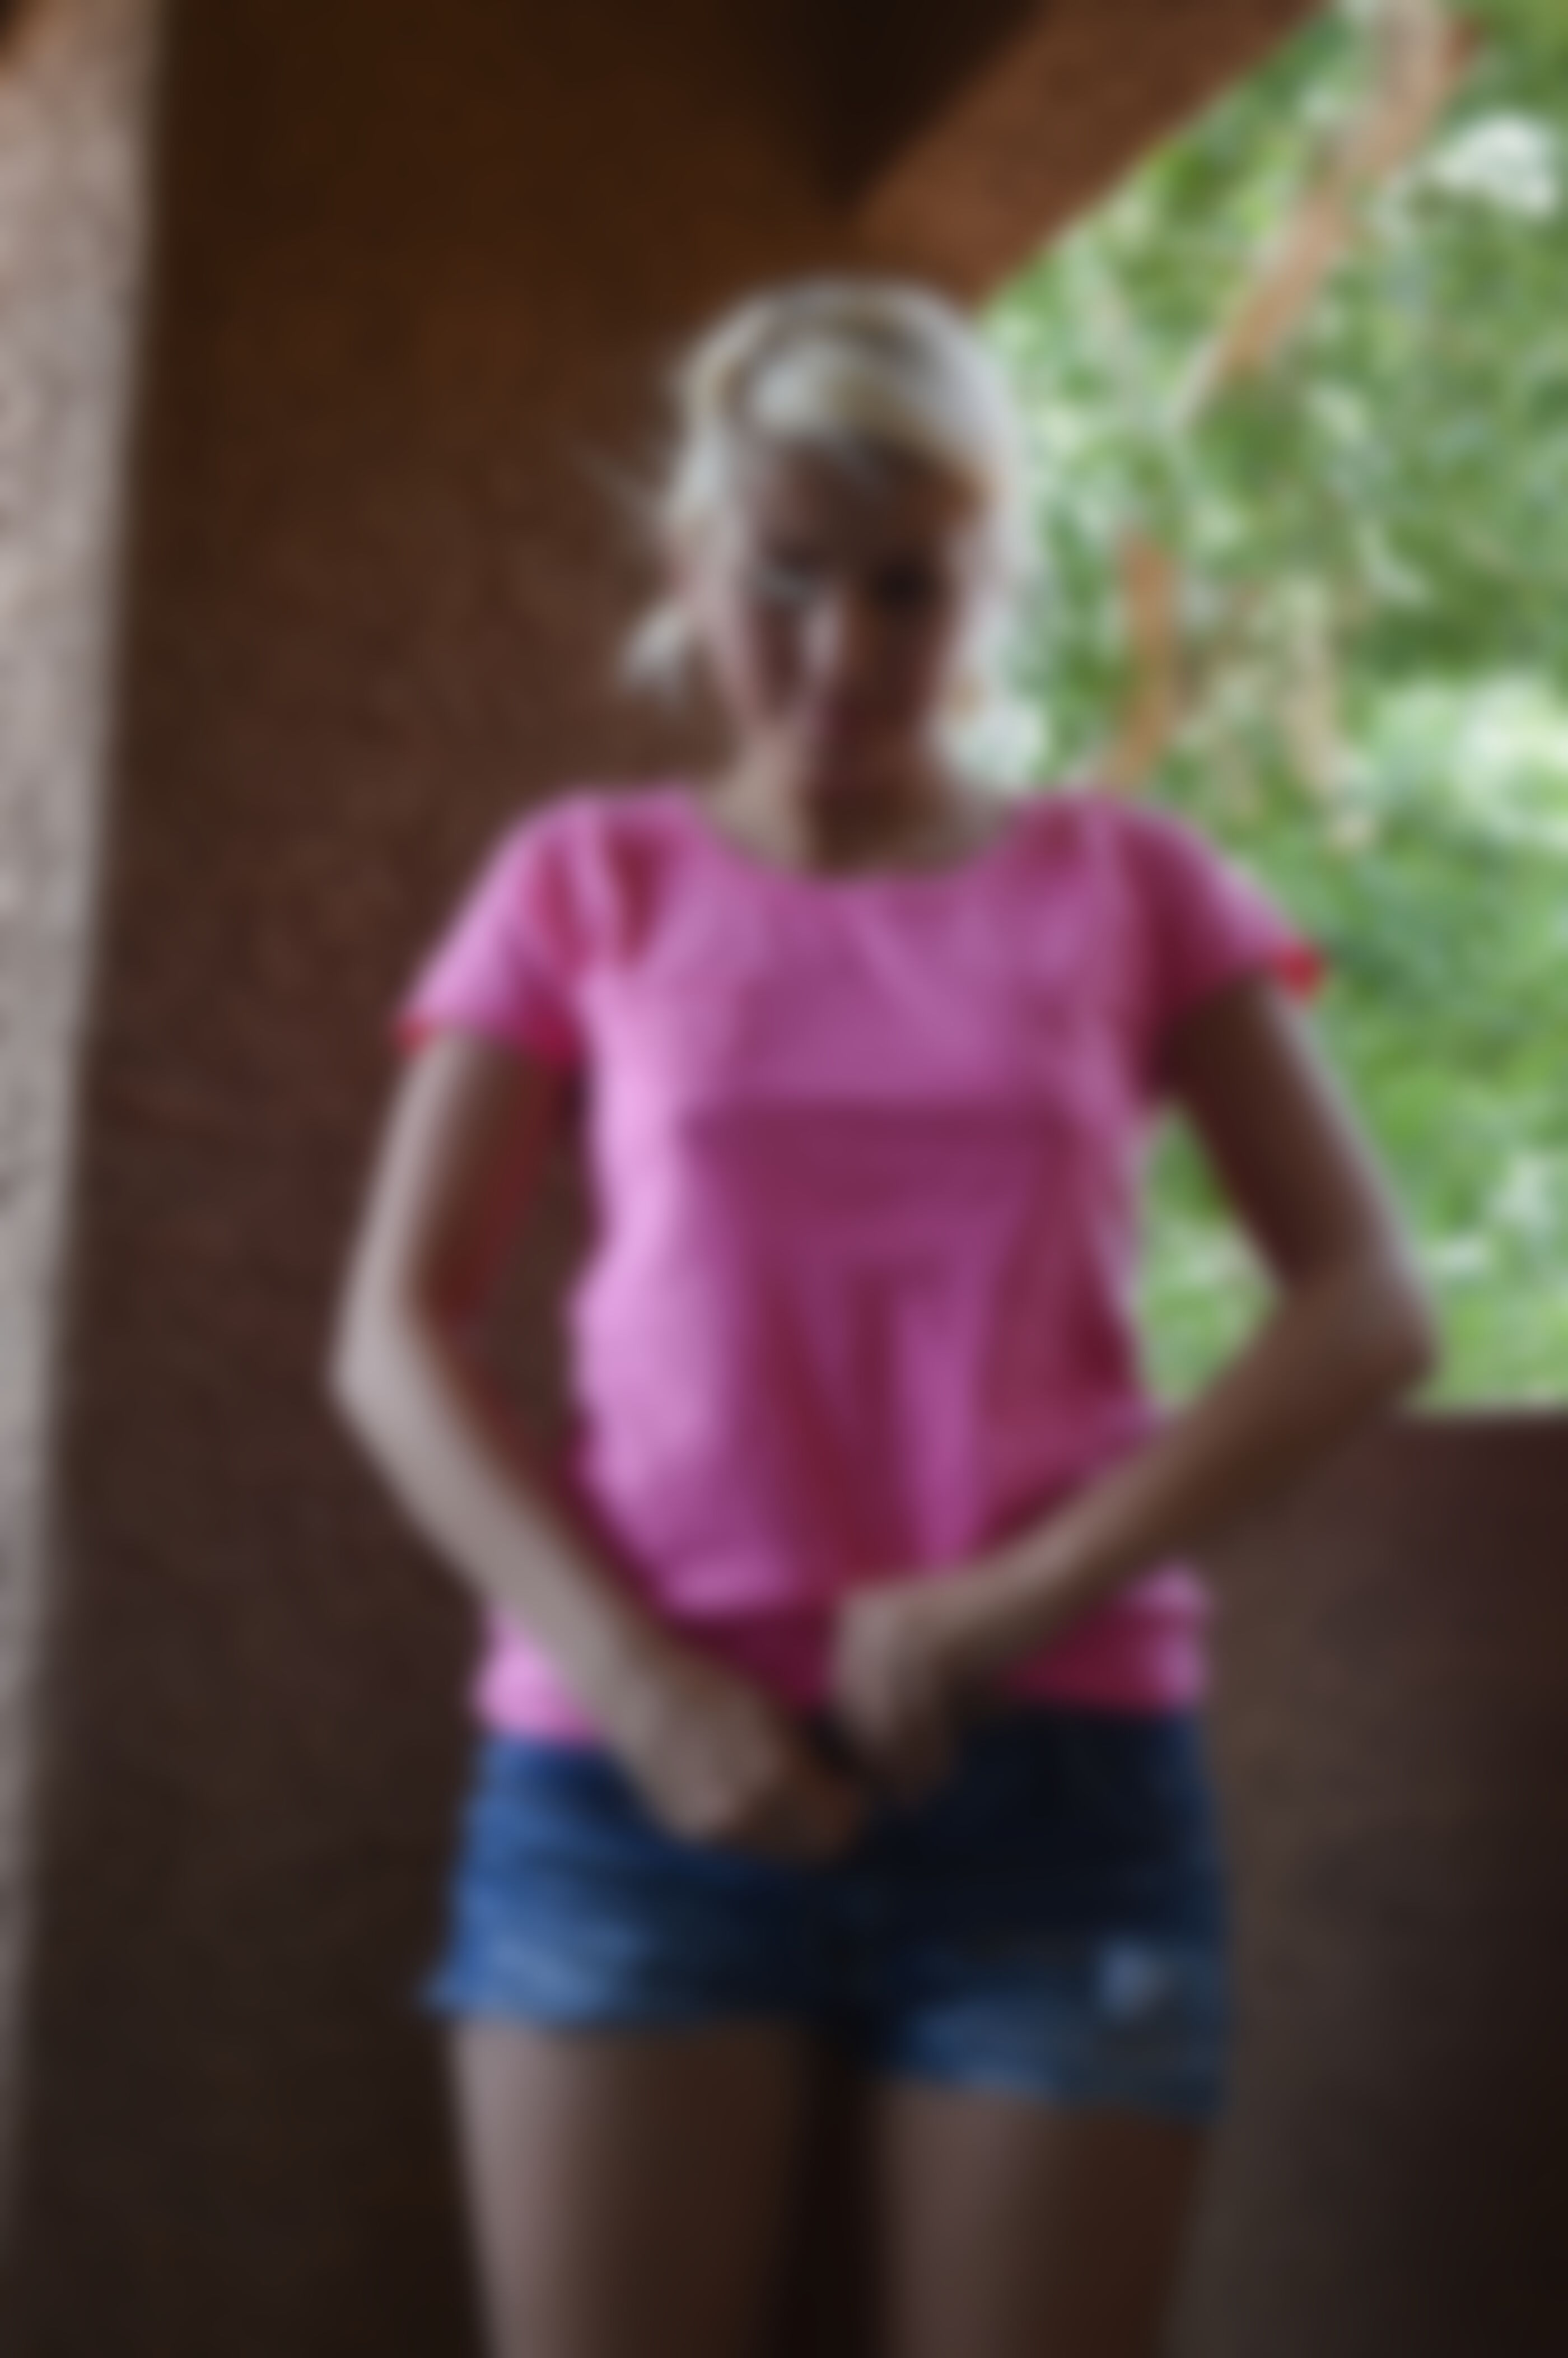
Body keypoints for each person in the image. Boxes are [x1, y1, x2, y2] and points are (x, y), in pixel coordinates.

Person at [328, 275, 1436, 2358]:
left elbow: (1371, 1301)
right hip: (630, 1792)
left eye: (907, 588)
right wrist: (642, 1686)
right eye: (784, 577)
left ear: (990, 585)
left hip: (1059, 1788)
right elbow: (392, 1333)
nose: (839, 650)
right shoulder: (583, 879)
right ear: (691, 563)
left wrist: (1010, 1599)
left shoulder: (1134, 886)